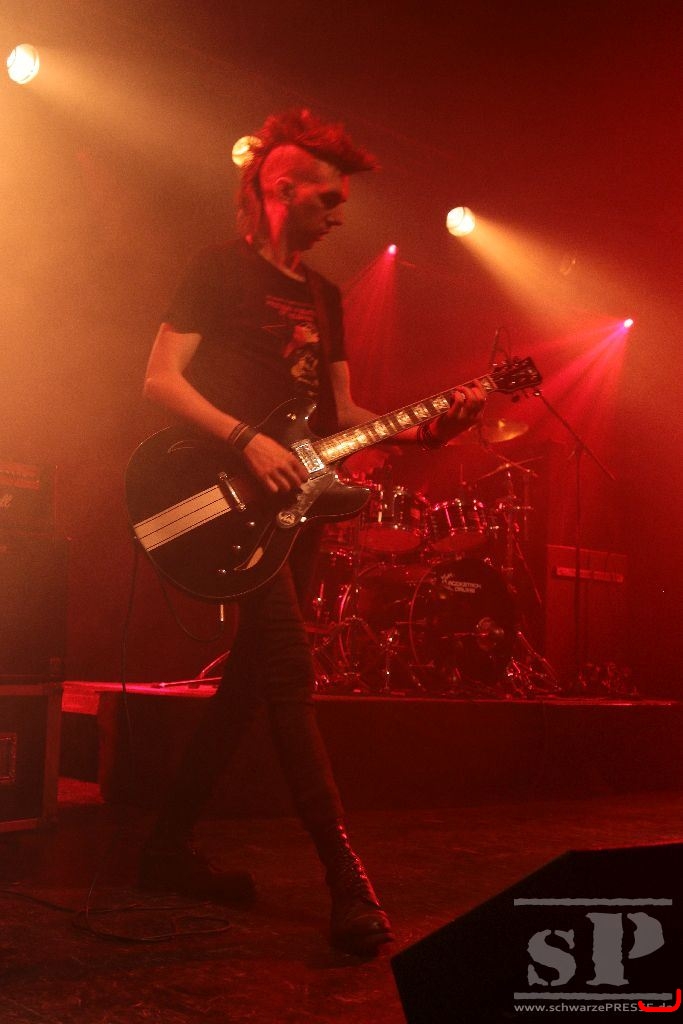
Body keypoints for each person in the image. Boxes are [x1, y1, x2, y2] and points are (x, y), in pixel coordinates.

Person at [138, 108, 486, 957]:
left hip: (296, 508)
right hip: (224, 491)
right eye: (326, 197)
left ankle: (163, 846)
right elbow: (159, 380)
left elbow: (342, 414)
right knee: (289, 675)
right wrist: (244, 439)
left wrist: (425, 427)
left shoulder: (325, 297)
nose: (338, 212)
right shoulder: (216, 269)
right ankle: (345, 880)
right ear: (279, 188)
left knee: (248, 687)